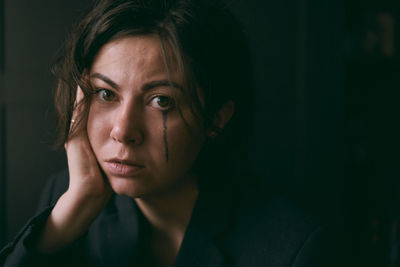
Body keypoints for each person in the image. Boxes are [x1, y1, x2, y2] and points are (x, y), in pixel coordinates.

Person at [0, 0, 336, 266]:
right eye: (106, 93)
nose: (123, 130)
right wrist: (61, 226)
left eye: (162, 101)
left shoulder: (292, 249)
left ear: (216, 119)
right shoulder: (64, 197)